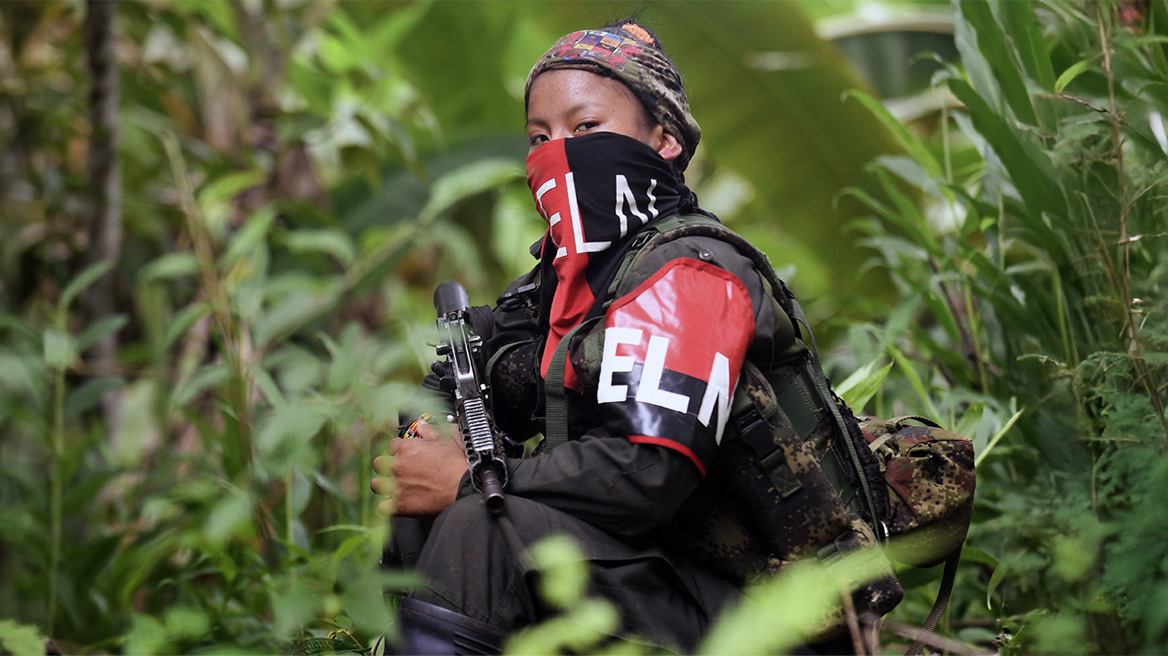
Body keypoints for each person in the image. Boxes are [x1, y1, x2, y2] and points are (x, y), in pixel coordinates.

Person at [370, 19, 880, 654]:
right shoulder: (563, 283)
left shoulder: (691, 272)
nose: (558, 153)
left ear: (664, 138)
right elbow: (468, 364)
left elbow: (646, 470)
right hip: (655, 577)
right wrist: (438, 432)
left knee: (483, 525)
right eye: (539, 137)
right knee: (429, 510)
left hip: (766, 613)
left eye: (586, 127)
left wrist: (469, 479)